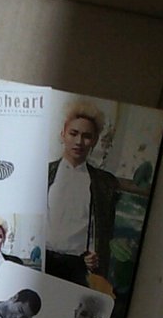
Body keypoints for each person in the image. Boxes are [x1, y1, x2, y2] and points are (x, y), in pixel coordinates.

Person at [46, 101, 119, 286]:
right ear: (63, 134)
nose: (79, 142)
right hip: (42, 260)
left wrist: (95, 255)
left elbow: (105, 230)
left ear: (94, 140)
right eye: (73, 133)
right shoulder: (44, 173)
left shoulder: (103, 184)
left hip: (77, 267)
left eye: (87, 136)